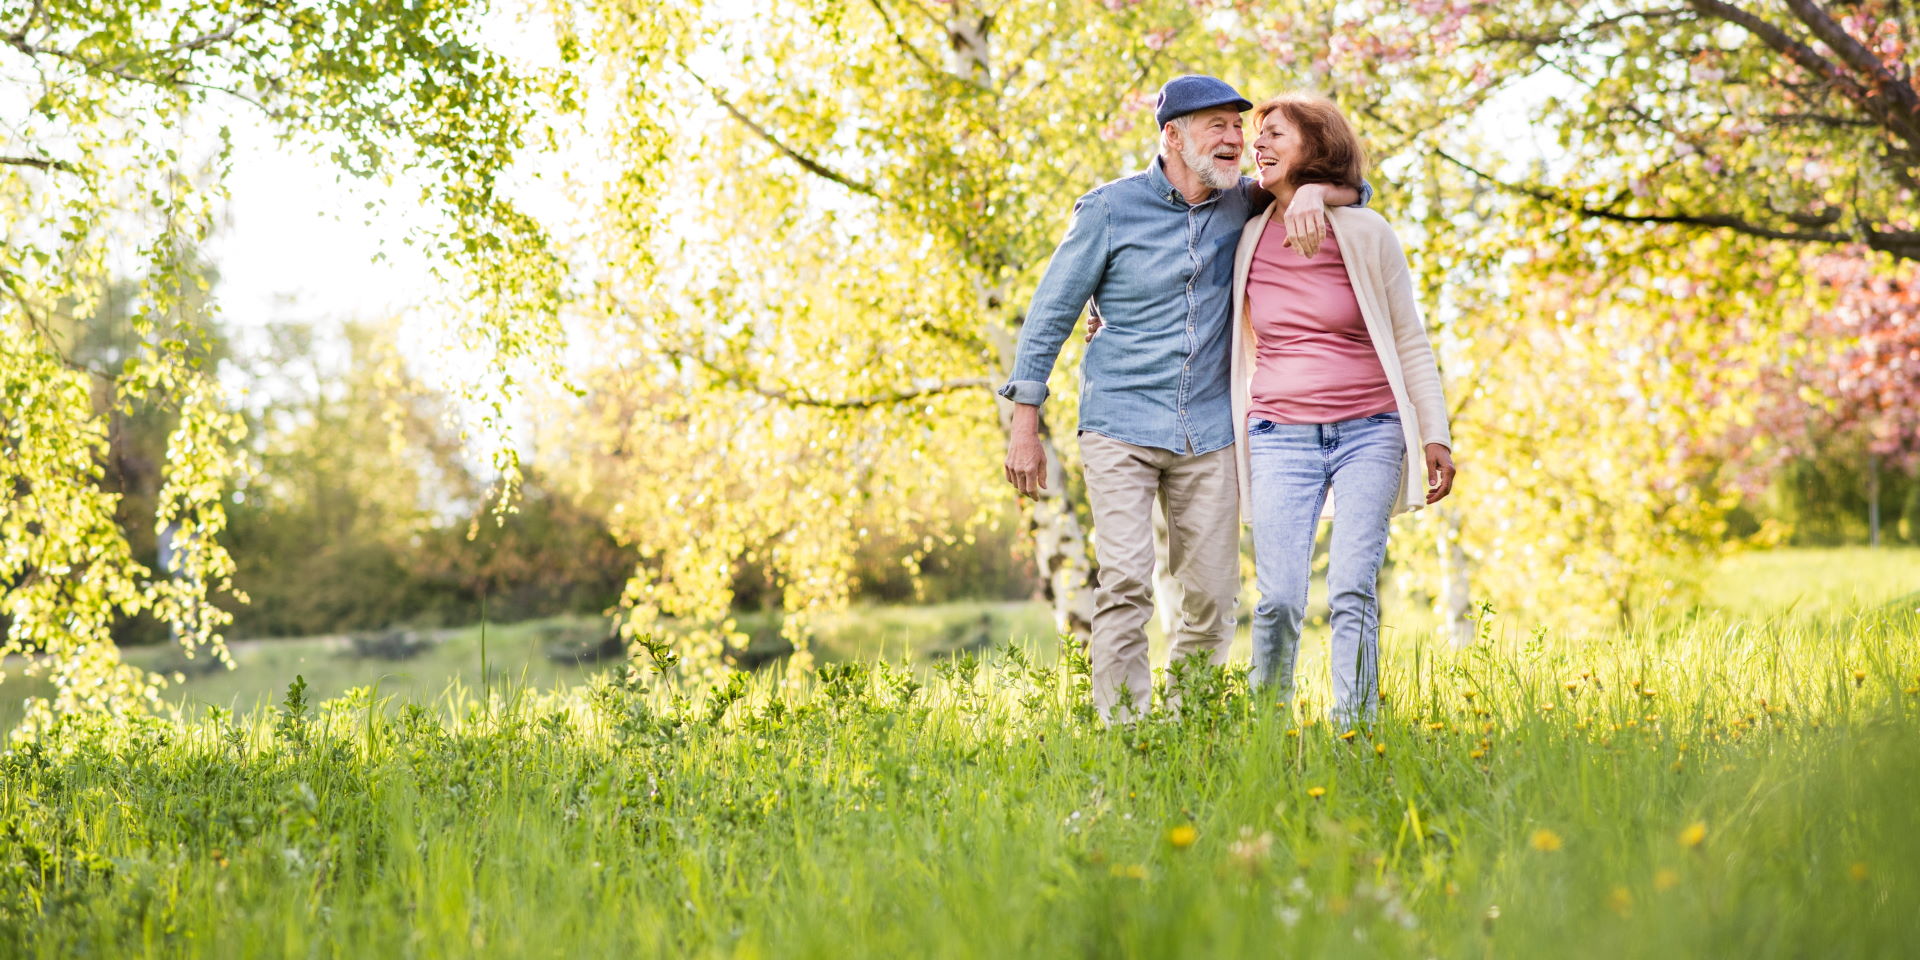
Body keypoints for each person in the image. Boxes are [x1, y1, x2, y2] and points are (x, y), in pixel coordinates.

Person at [1000, 75, 1370, 724]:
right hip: (1119, 426)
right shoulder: (1109, 210)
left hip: (1211, 431)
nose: (1236, 138)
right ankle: (1127, 737)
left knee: (1212, 596)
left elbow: (1357, 192)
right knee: (1125, 584)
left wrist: (1314, 189)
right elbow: (1049, 315)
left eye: (1239, 125)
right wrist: (1023, 424)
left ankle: (1185, 728)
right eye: (1218, 126)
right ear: (1172, 137)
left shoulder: (1244, 204)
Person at [1228, 93, 1455, 726]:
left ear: (1316, 145)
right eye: (1257, 137)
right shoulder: (1243, 233)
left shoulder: (1366, 231)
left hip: (1371, 431)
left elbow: (1409, 336)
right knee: (1277, 598)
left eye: (1275, 134)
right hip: (1278, 434)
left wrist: (1433, 432)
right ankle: (1268, 730)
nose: (1258, 144)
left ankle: (1355, 728)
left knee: (1353, 588)